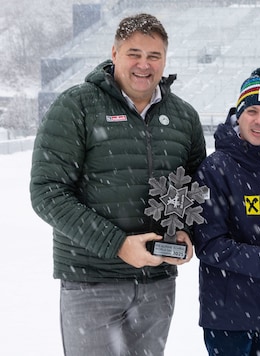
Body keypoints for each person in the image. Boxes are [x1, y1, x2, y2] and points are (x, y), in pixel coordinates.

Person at [29, 13, 206, 356]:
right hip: (92, 281)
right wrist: (118, 244)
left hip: (157, 285)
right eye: (134, 53)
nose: (144, 64)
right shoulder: (76, 105)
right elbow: (47, 192)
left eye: (154, 56)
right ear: (114, 53)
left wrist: (186, 231)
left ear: (165, 60)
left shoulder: (184, 116)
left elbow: (195, 188)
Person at [192, 67, 260, 356]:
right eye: (252, 111)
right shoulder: (215, 168)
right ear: (238, 114)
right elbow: (210, 244)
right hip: (228, 315)